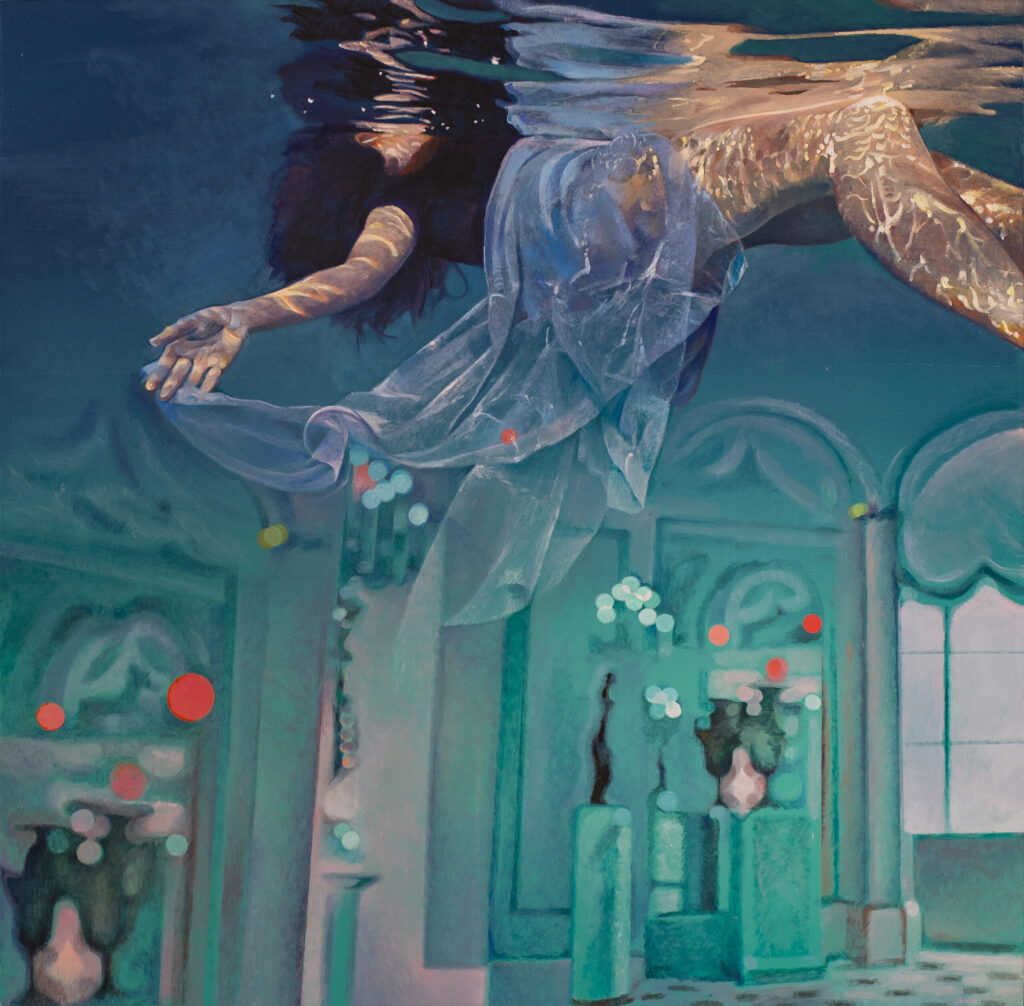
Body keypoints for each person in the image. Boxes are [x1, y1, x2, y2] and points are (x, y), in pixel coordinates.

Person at [143, 0, 1022, 621]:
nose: (396, 125)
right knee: (859, 124)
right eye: (373, 127)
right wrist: (249, 315)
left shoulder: (488, 125)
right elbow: (356, 276)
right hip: (647, 215)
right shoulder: (401, 206)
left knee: (913, 176)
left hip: (661, 218)